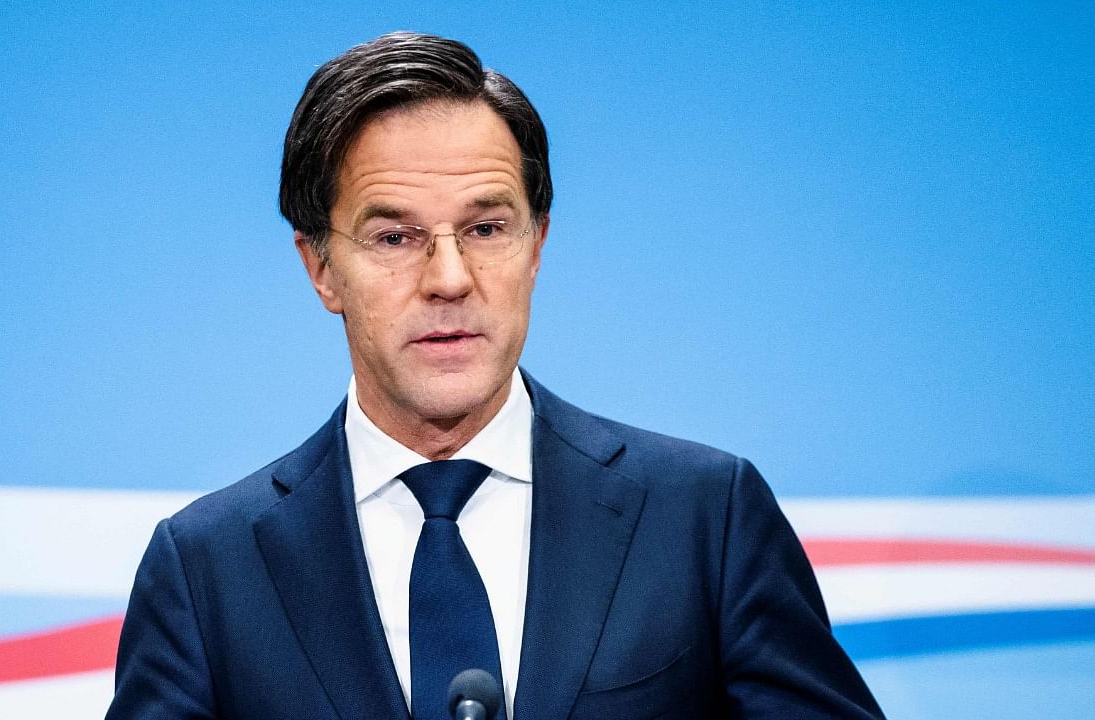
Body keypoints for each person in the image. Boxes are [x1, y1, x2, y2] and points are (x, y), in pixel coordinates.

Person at [107, 31, 885, 720]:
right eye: (394, 236)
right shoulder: (208, 570)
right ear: (320, 267)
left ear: (537, 244)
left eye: (486, 228)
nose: (450, 277)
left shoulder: (703, 520)